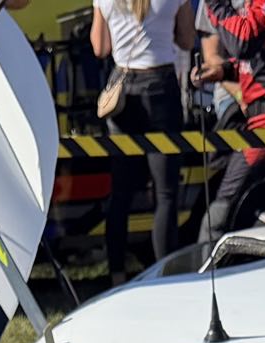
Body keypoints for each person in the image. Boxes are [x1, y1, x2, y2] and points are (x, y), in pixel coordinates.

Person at [193, 0, 265, 242]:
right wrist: (222, 72)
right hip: (261, 117)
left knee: (218, 215)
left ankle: (208, 275)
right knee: (225, 203)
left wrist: (216, 4)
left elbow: (243, 42)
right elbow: (261, 58)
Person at [91, 0, 193, 282]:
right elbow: (186, 40)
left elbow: (100, 48)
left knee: (121, 192)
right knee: (165, 193)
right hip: (161, 85)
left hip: (122, 92)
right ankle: (164, 275)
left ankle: (117, 274)